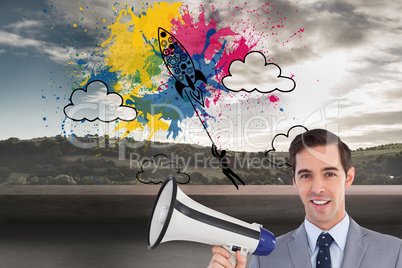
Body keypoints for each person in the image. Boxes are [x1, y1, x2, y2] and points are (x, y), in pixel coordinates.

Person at [208, 129, 402, 268]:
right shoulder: (265, 258)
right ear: (295, 181)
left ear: (348, 177)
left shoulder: (395, 252)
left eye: (330, 174)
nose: (318, 189)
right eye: (306, 175)